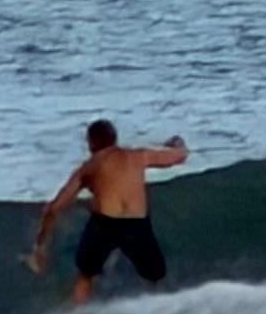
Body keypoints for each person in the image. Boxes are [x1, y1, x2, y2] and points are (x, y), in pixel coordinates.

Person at [29, 118, 189, 304]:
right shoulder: (138, 155)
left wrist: (40, 246)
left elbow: (54, 208)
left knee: (86, 275)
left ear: (90, 143)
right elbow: (180, 156)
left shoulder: (88, 167)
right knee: (154, 276)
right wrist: (178, 144)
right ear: (114, 139)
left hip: (105, 224)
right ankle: (157, 311)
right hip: (136, 224)